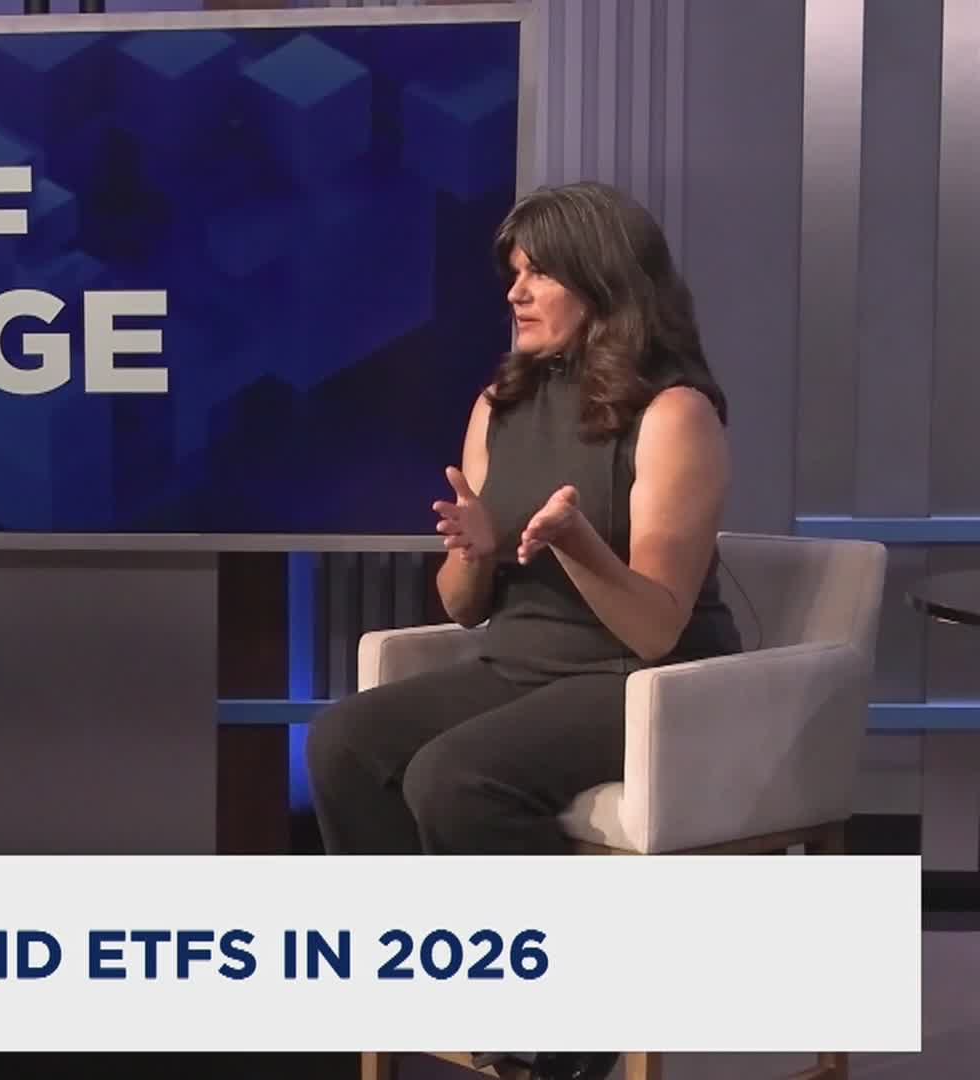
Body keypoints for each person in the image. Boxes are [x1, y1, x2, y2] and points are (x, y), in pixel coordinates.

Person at [303, 182, 744, 1080]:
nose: (516, 292)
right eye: (514, 273)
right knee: (344, 740)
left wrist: (579, 545)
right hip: (520, 661)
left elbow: (656, 628)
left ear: (604, 280)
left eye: (539, 273)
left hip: (643, 681)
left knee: (456, 774)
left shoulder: (674, 414)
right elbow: (465, 608)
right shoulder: (498, 404)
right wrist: (475, 550)